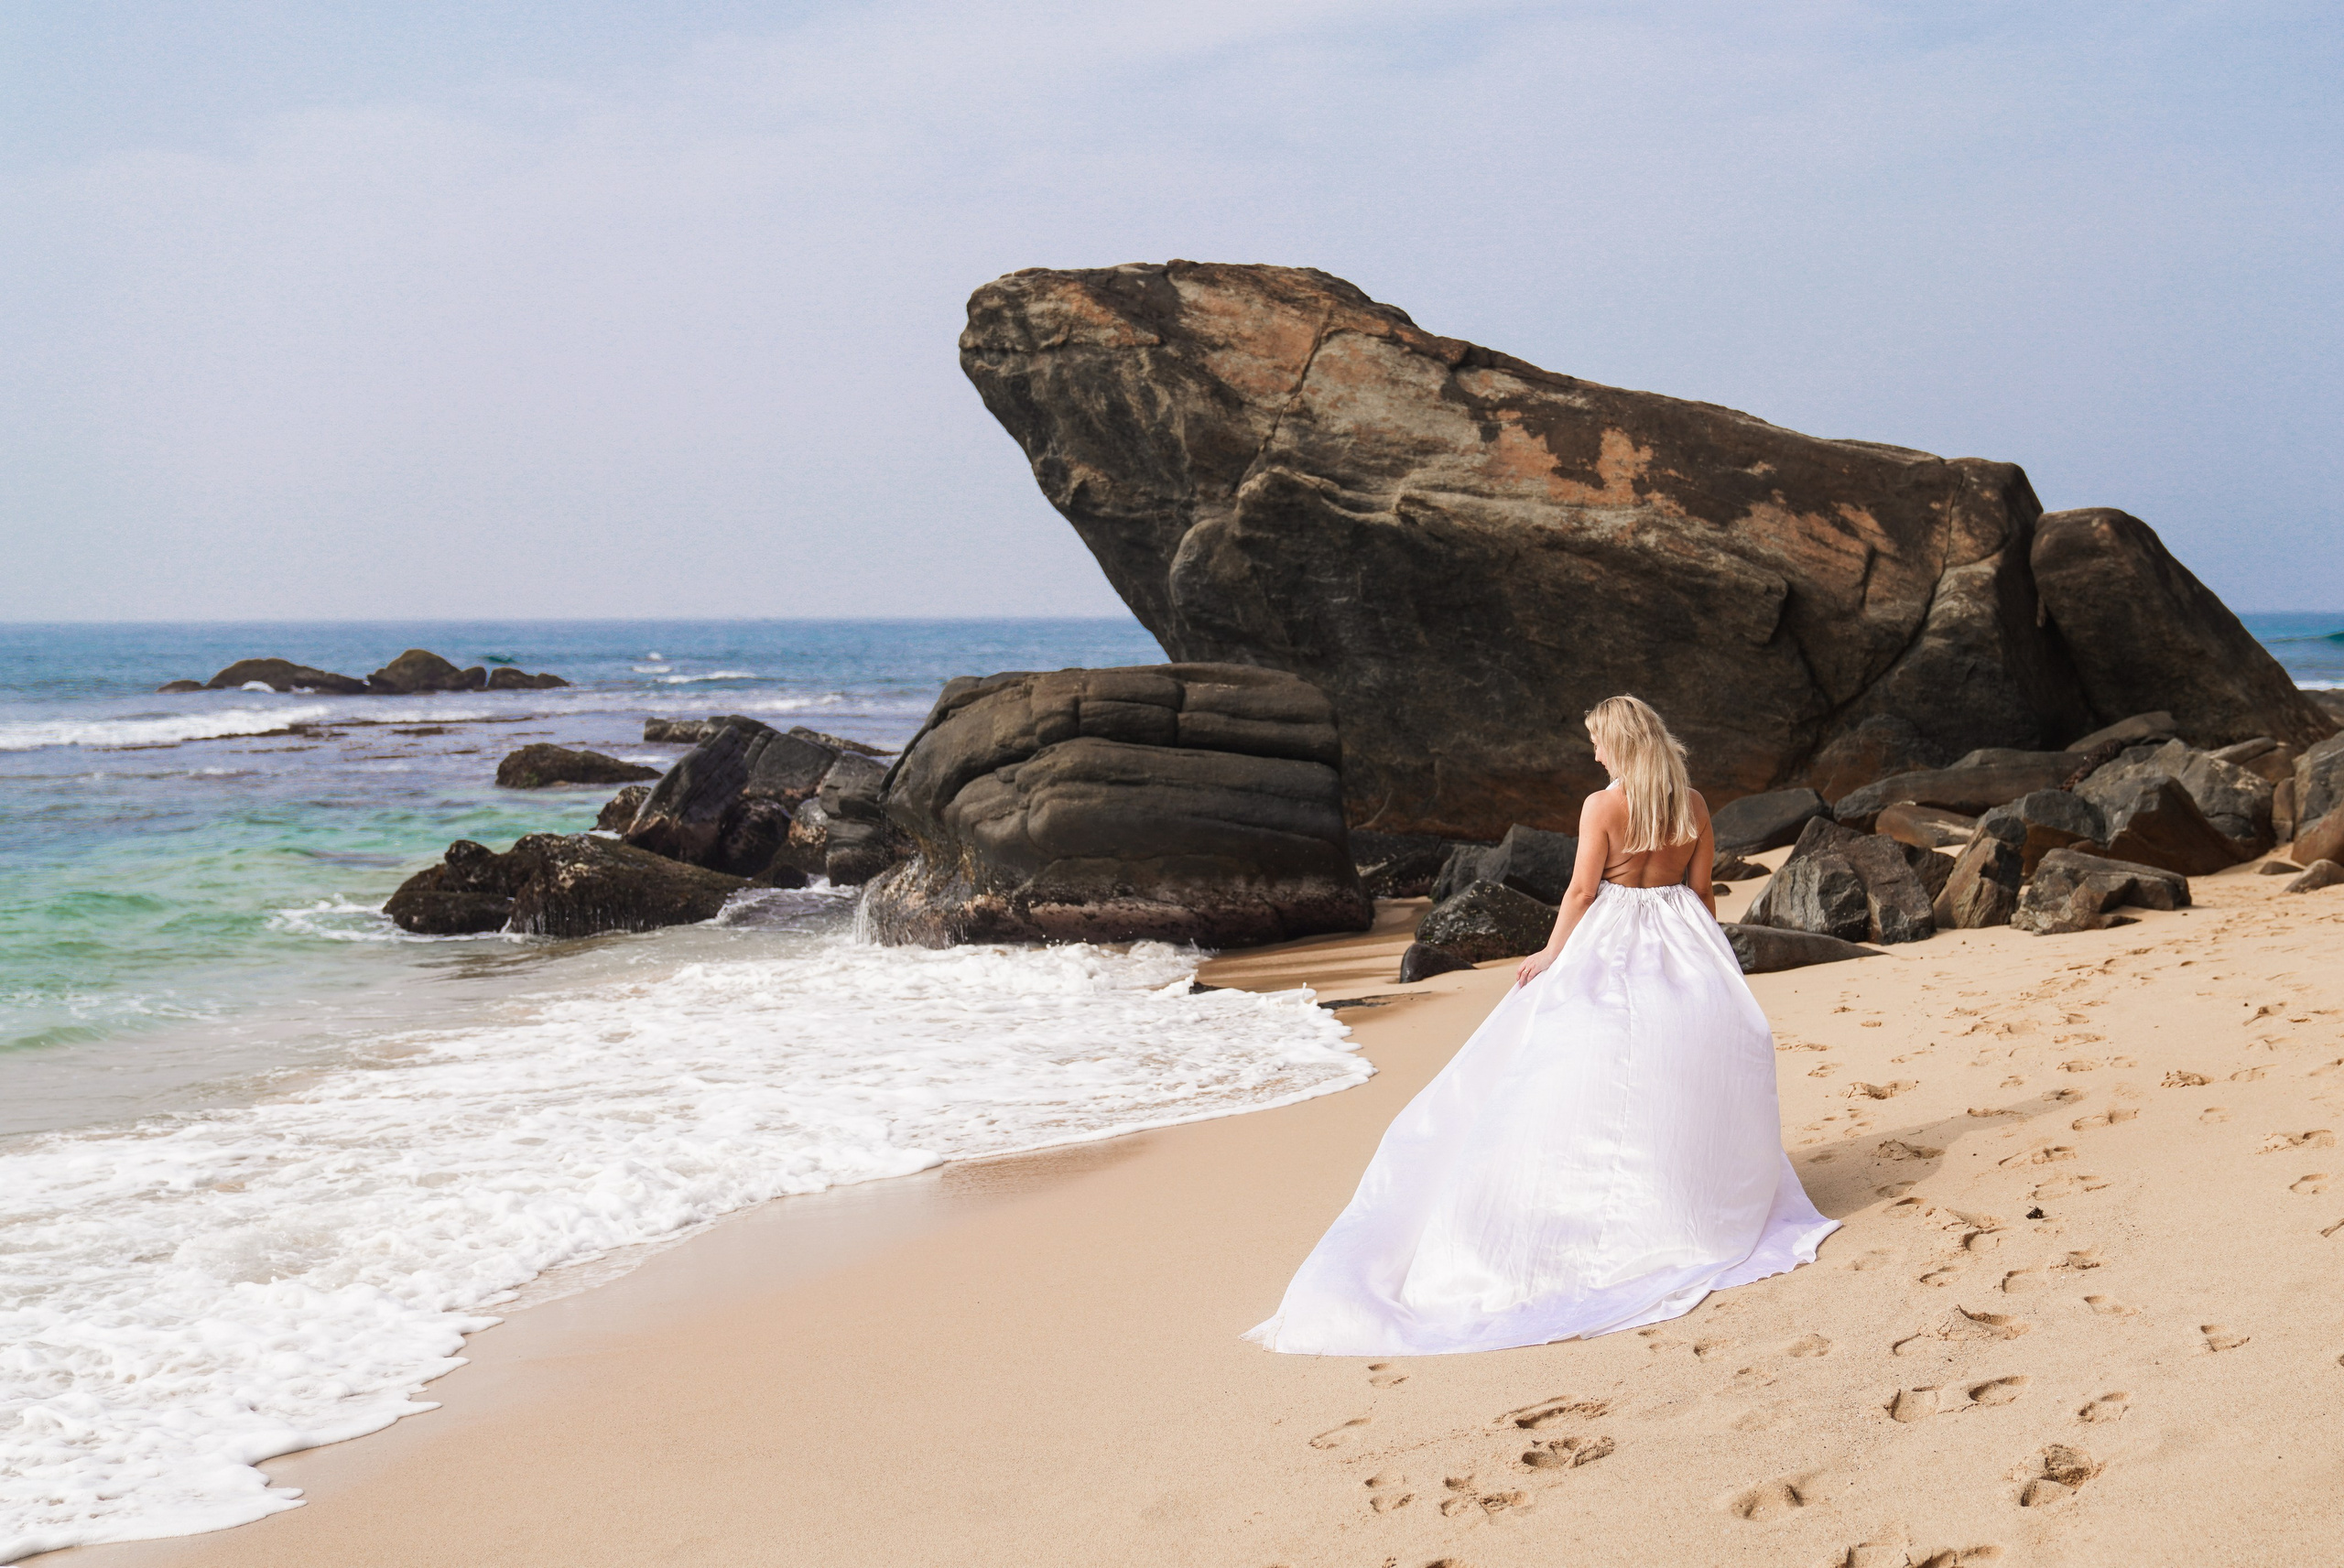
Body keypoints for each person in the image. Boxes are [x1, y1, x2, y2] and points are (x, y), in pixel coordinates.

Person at [1244, 695, 1837, 1357]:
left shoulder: (1602, 806)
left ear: (1619, 743)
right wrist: (1715, 956)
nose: (1594, 754)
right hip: (1683, 943)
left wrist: (1554, 954)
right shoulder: (1691, 804)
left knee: (1584, 1070)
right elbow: (1702, 893)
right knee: (1674, 1069)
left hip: (1611, 940)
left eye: (1598, 743)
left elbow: (1583, 891)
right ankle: (1676, 1196)